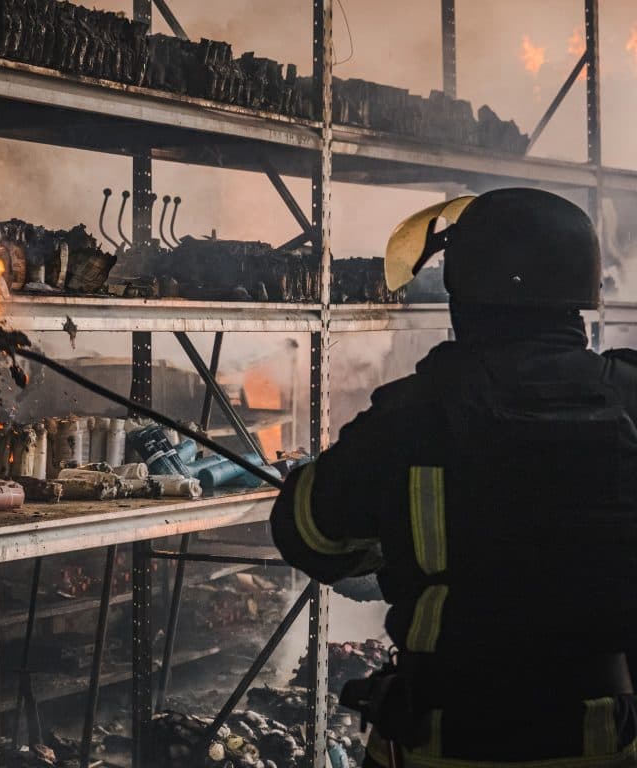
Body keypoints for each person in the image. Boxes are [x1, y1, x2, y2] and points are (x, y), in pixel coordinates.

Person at [270, 188, 637, 767]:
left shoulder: (411, 416)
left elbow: (310, 535)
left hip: (448, 740)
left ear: (464, 292)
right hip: (604, 738)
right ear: (579, 292)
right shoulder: (629, 400)